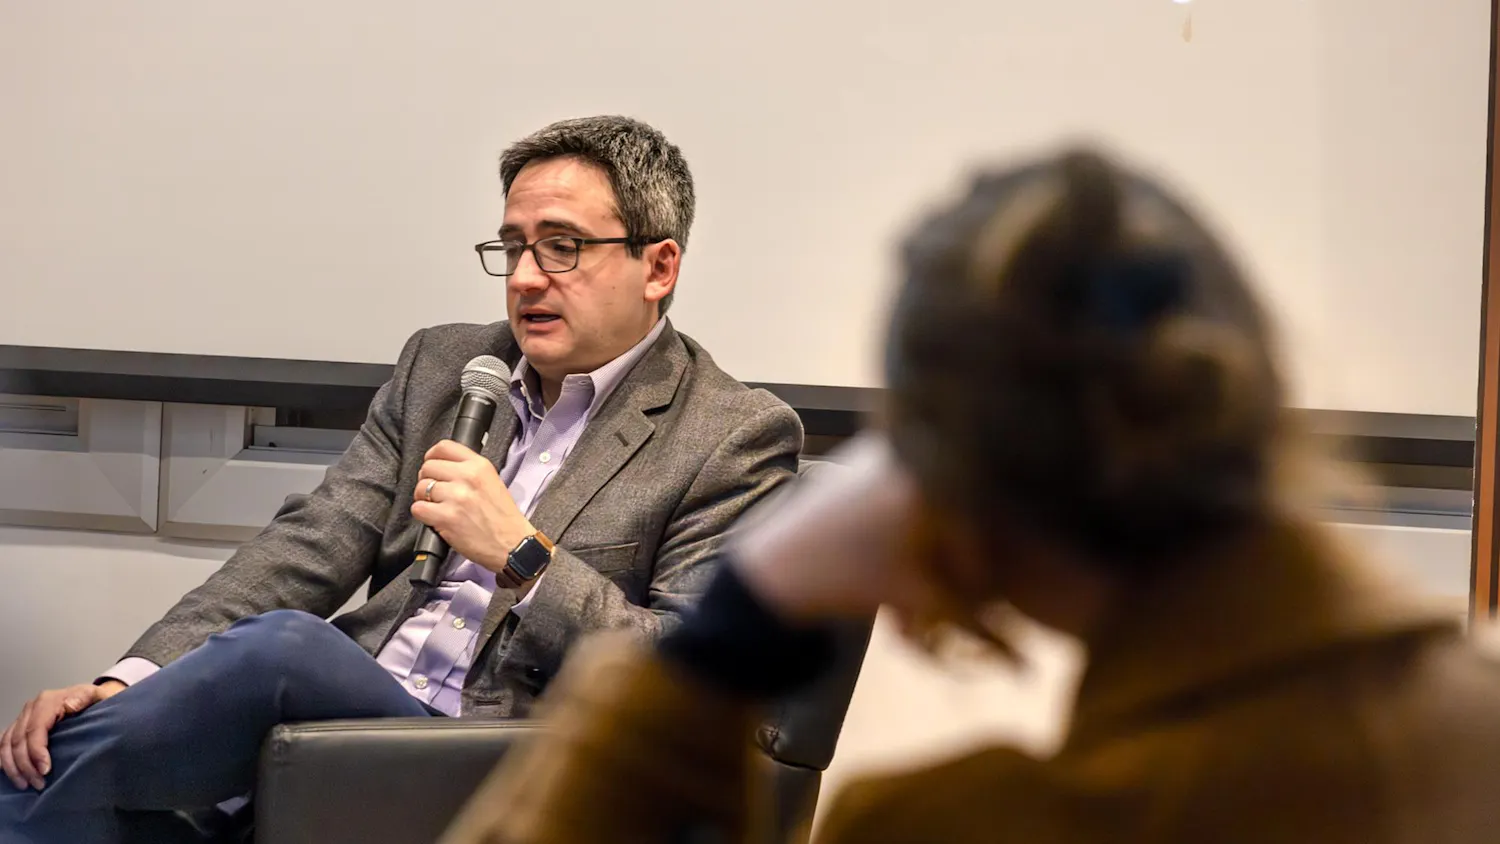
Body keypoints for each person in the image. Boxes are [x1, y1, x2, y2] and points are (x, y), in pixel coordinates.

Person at [439, 148, 1500, 844]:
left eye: (564, 246)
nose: (528, 275)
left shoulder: (962, 822)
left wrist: (723, 641)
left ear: (949, 492)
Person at [0, 115, 802, 842]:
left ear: (657, 266)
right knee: (73, 822)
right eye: (513, 246)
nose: (525, 278)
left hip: (509, 768)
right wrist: (128, 683)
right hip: (330, 749)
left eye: (561, 247)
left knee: (285, 654)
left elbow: (703, 683)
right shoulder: (447, 365)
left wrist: (525, 560)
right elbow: (311, 543)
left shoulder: (730, 435)